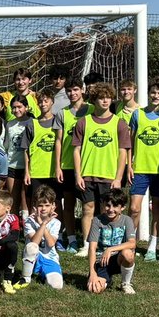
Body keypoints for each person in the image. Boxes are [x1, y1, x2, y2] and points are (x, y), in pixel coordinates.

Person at [71, 82, 131, 258]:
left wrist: (118, 177)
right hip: (88, 174)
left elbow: (123, 152)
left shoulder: (119, 123)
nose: (105, 101)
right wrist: (78, 174)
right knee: (88, 209)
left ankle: (108, 244)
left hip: (109, 176)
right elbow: (76, 150)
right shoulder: (83, 122)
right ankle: (87, 244)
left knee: (109, 211)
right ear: (94, 100)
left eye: (108, 97)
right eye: (101, 98)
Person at [129, 80, 159, 261]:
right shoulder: (137, 115)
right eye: (153, 92)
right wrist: (129, 165)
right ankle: (130, 244)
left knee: (158, 208)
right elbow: (129, 143)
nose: (156, 96)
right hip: (140, 169)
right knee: (134, 208)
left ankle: (152, 247)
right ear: (148, 93)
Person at [87, 187, 137, 294]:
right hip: (101, 261)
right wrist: (92, 273)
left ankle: (125, 283)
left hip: (118, 259)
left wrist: (110, 250)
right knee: (94, 289)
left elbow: (132, 243)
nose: (110, 209)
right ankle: (106, 280)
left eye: (115, 206)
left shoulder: (127, 220)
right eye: (107, 205)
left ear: (122, 207)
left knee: (128, 253)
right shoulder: (97, 220)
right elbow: (92, 248)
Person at [58, 80, 89, 252]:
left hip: (89, 166)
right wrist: (58, 165)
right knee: (68, 204)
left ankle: (92, 239)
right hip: (68, 165)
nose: (72, 93)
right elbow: (58, 141)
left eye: (75, 89)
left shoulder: (92, 109)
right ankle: (71, 239)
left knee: (89, 206)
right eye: (69, 90)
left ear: (82, 90)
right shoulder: (63, 113)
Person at [18, 185, 64, 291]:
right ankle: (26, 278)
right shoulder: (29, 220)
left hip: (50, 258)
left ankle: (44, 273)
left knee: (57, 286)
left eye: (47, 205)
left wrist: (44, 223)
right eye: (40, 205)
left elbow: (51, 243)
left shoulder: (56, 223)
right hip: (33, 257)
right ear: (34, 205)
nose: (43, 208)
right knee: (31, 247)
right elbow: (34, 242)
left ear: (53, 206)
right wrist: (42, 224)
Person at [22, 90, 63, 204]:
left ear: (52, 102)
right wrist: (27, 171)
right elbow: (26, 150)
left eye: (46, 101)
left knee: (56, 204)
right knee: (36, 205)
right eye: (40, 101)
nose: (43, 104)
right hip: (36, 172)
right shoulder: (31, 124)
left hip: (54, 172)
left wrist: (59, 167)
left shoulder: (58, 122)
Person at [3, 95, 35, 219]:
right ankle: (14, 229)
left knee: (30, 200)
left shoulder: (33, 123)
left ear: (26, 107)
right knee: (13, 199)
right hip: (12, 165)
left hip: (29, 167)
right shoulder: (10, 125)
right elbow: (7, 146)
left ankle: (30, 230)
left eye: (19, 107)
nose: (16, 110)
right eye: (14, 108)